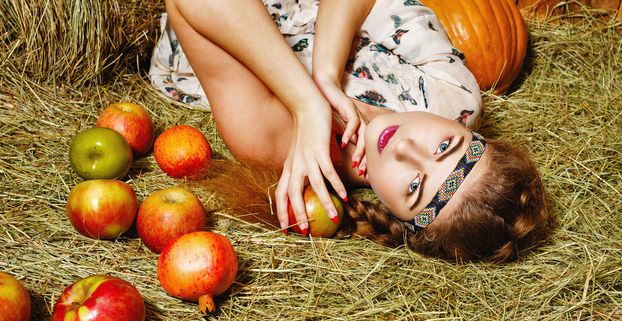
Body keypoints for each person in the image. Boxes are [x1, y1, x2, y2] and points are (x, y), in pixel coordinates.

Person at [155, 0, 550, 263]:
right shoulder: (454, 95)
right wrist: (324, 76)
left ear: (396, 217)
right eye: (444, 145)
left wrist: (304, 103)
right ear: (468, 130)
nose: (405, 148)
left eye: (414, 186)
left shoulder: (272, 146)